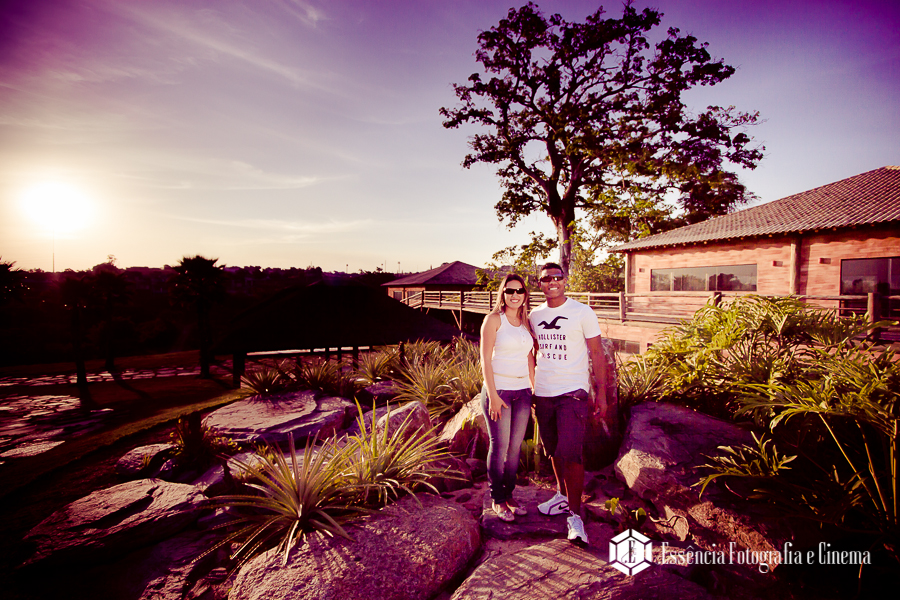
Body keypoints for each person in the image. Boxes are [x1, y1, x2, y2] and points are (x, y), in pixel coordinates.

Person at [530, 262, 607, 545]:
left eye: (557, 277)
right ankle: (562, 496)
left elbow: (597, 354)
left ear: (565, 280)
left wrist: (602, 394)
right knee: (553, 450)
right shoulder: (534, 315)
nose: (552, 282)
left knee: (572, 453)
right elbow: (533, 351)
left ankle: (575, 517)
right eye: (545, 278)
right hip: (543, 391)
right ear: (539, 284)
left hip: (573, 393)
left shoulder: (582, 312)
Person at [480, 273, 536, 522]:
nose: (515, 295)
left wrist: (535, 391)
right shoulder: (493, 320)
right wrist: (492, 395)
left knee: (514, 450)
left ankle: (510, 495)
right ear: (502, 294)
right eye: (509, 291)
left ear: (525, 295)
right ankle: (497, 499)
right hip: (499, 392)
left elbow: (529, 358)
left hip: (523, 393)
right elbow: (484, 359)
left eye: (519, 291)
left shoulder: (526, 322)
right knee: (499, 446)